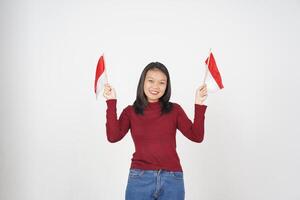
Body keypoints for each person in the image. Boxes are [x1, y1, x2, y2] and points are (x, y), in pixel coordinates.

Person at [103, 62, 207, 200]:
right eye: (151, 81)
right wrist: (111, 101)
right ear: (143, 82)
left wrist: (199, 103)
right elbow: (113, 136)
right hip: (139, 178)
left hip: (172, 179)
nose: (155, 87)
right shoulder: (131, 112)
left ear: (167, 86)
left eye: (162, 83)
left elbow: (196, 136)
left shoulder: (174, 110)